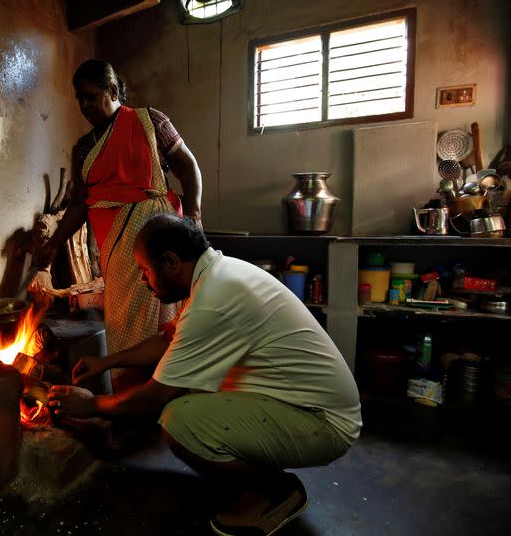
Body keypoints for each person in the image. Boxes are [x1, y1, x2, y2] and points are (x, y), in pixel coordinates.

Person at [48, 214, 362, 536]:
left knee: (178, 419)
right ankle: (255, 475)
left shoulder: (212, 299)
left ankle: (277, 492)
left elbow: (154, 397)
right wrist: (107, 362)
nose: (143, 280)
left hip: (324, 423)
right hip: (305, 403)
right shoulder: (217, 275)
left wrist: (93, 405)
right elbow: (167, 339)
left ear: (170, 261)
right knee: (191, 391)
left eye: (145, 270)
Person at [37, 58, 203, 391]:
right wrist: (54, 244)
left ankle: (169, 394)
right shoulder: (84, 149)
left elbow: (188, 167)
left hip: (161, 239)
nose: (84, 105)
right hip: (118, 252)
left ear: (113, 91)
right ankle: (131, 401)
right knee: (124, 325)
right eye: (79, 99)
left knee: (171, 321)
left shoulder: (150, 121)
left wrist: (195, 218)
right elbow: (80, 205)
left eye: (91, 96)